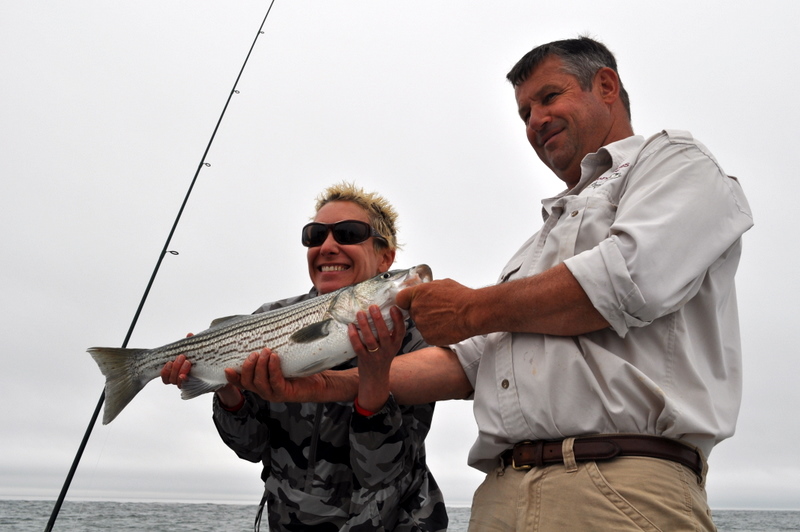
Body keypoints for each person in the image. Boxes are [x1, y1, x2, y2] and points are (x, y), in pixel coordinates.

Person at [251, 37, 754, 531]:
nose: (535, 120)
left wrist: (470, 309)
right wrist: (321, 384)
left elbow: (628, 277)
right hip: (500, 493)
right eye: (524, 113)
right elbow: (466, 362)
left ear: (605, 85)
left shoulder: (676, 163)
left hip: (615, 487)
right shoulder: (533, 249)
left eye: (549, 97)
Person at [161, 182, 448, 531]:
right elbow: (251, 447)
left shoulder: (414, 340)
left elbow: (381, 472)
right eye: (314, 236)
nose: (327, 246)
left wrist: (374, 377)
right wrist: (226, 386)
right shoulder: (268, 318)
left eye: (348, 233)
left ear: (385, 257)